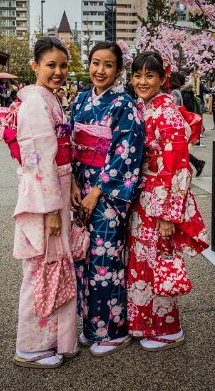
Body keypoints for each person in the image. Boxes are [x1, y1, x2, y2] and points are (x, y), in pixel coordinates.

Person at [127, 51, 209, 351]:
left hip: (159, 199)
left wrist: (167, 213)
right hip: (143, 196)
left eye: (150, 75)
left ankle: (168, 328)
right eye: (137, 75)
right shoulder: (142, 107)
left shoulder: (167, 112)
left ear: (163, 78)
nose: (142, 81)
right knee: (141, 263)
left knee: (158, 261)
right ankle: (144, 323)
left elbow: (177, 166)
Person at [70, 41, 144, 357]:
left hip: (108, 194)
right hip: (80, 190)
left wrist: (97, 192)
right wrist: (73, 180)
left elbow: (125, 153)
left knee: (105, 259)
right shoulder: (80, 101)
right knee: (83, 257)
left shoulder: (125, 106)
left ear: (118, 70)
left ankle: (112, 329)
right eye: (95, 63)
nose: (100, 70)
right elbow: (70, 145)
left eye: (108, 65)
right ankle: (90, 325)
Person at [13, 37, 78, 369]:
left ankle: (55, 340)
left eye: (63, 65)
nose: (58, 72)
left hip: (59, 189)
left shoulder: (48, 99)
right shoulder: (35, 103)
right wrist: (51, 209)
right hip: (45, 197)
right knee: (41, 269)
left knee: (56, 266)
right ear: (35, 65)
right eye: (51, 65)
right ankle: (31, 346)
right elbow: (38, 160)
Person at [179, 74, 205, 177]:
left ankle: (197, 163)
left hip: (184, 123)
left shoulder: (184, 94)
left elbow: (189, 109)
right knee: (180, 149)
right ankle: (197, 163)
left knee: (179, 149)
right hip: (184, 123)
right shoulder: (184, 93)